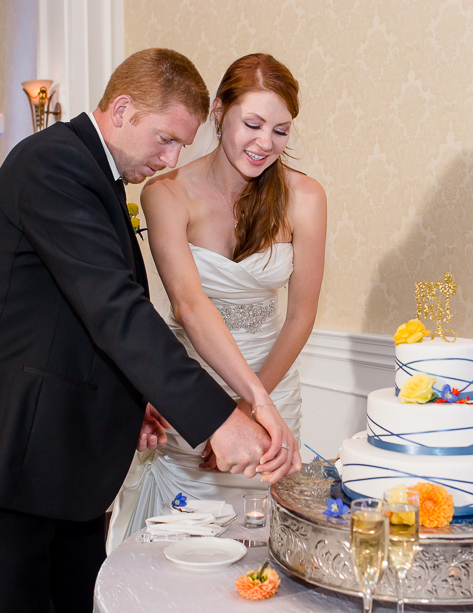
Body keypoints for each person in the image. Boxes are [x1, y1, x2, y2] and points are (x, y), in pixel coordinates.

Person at [0, 48, 301, 613]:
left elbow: (73, 320)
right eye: (165, 139)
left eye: (181, 146)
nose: (169, 158)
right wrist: (220, 419)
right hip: (10, 450)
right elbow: (114, 309)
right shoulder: (51, 164)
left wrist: (137, 399)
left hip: (66, 456)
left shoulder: (97, 175)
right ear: (122, 109)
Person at [107, 53, 327, 548]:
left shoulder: (305, 198)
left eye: (281, 130)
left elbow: (300, 316)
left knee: (260, 550)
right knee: (179, 547)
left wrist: (254, 407)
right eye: (252, 124)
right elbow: (188, 305)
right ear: (217, 111)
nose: (265, 143)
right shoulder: (165, 194)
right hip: (188, 391)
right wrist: (217, 414)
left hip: (272, 388)